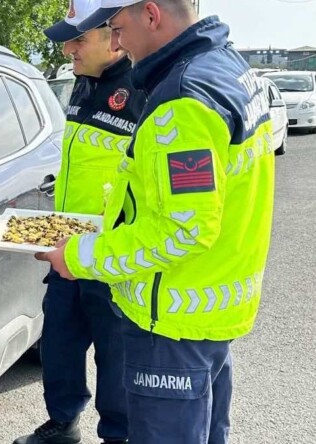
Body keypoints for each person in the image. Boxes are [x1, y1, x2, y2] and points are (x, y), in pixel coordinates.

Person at [37, 1, 275, 443]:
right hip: (208, 311)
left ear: (150, 14)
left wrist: (81, 255)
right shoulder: (226, 69)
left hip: (171, 320)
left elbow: (184, 228)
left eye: (117, 26)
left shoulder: (183, 100)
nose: (116, 40)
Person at [15, 1, 145, 444]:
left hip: (108, 255)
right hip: (66, 249)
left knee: (115, 357)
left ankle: (117, 435)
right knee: (59, 348)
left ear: (114, 37)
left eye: (78, 39)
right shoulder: (82, 83)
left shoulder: (142, 89)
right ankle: (63, 423)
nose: (68, 49)